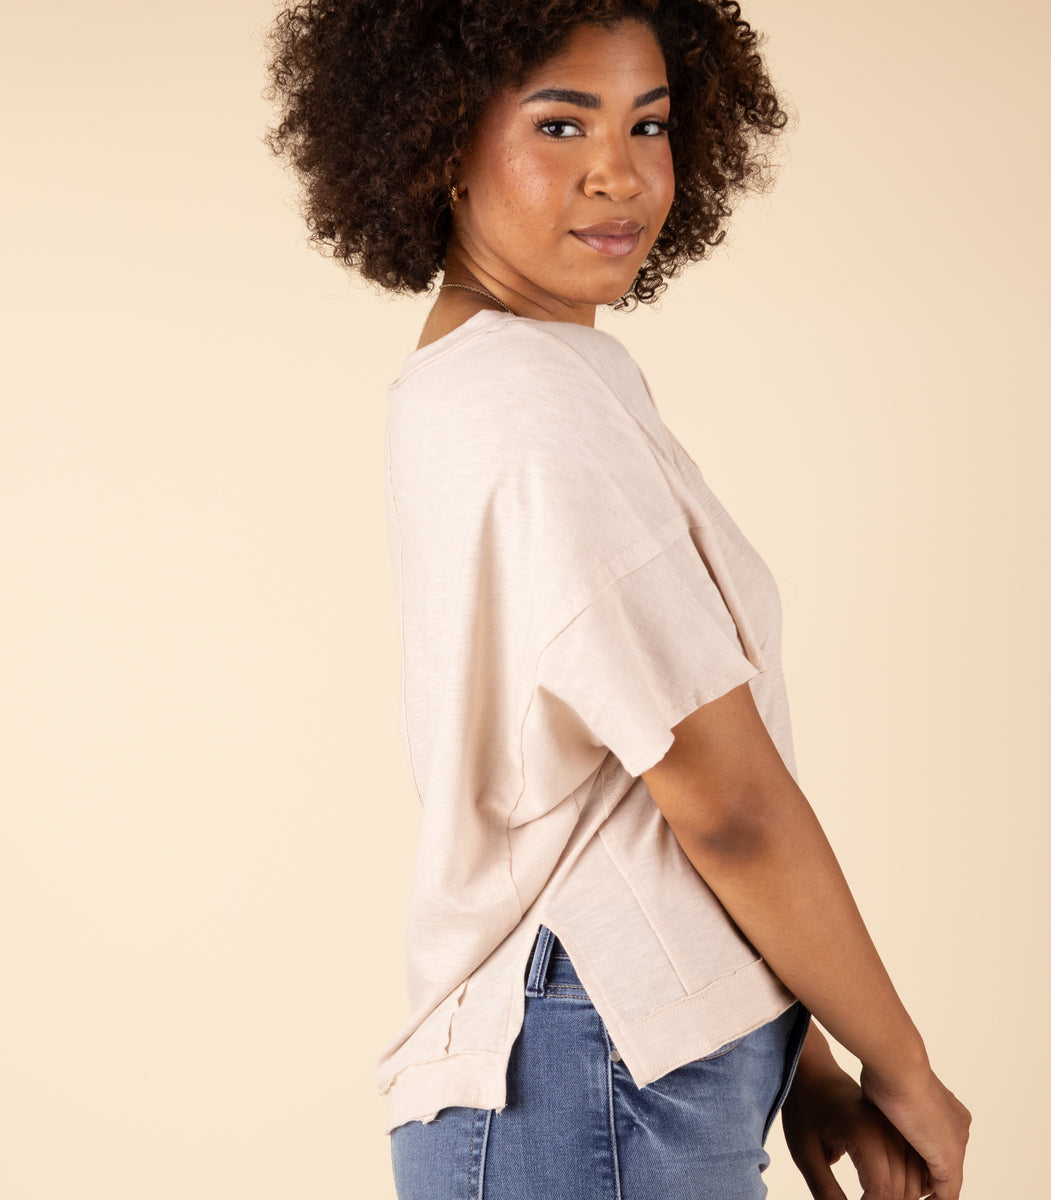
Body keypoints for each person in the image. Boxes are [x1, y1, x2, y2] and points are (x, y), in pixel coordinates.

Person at [267, 2, 970, 1198]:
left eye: (649, 122)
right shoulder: (531, 401)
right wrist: (902, 1062)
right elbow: (719, 796)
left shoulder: (505, 379)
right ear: (435, 143)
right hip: (583, 1078)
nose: (619, 172)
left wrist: (802, 1065)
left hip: (599, 1070)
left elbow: (597, 803)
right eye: (560, 121)